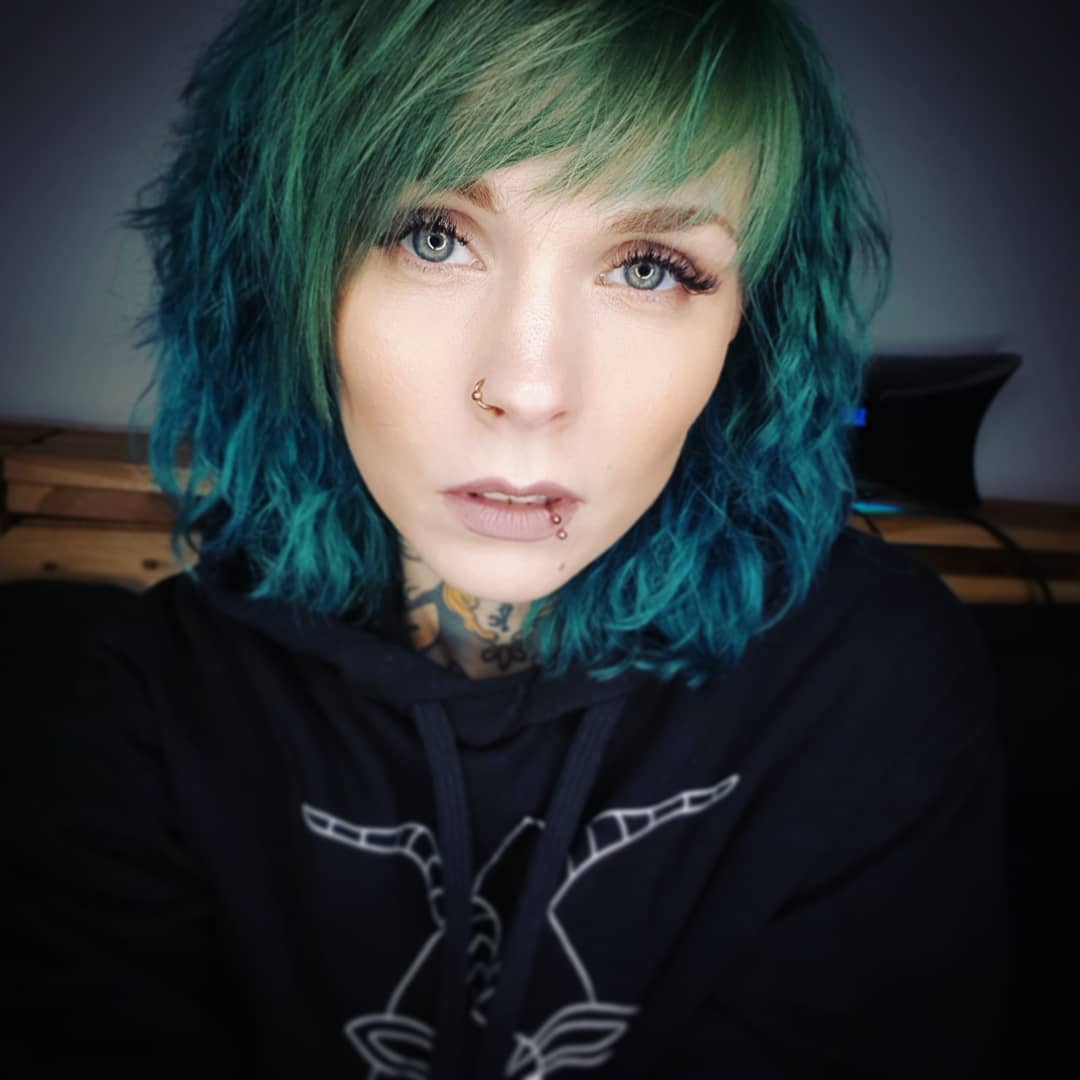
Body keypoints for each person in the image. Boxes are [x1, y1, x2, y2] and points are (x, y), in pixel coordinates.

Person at [6, 0, 1006, 1076]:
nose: (528, 389)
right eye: (433, 237)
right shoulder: (160, 705)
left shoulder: (867, 685)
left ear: (745, 330)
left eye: (649, 266)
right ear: (288, 285)